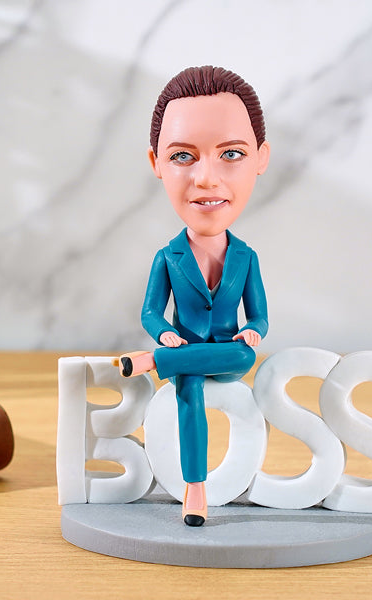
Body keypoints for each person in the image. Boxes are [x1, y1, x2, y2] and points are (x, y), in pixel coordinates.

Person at [117, 66, 270, 526]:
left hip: (229, 354)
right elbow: (151, 311)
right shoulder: (168, 256)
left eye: (232, 154)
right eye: (182, 156)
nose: (206, 178)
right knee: (190, 400)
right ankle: (196, 489)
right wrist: (164, 333)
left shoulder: (246, 257)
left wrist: (251, 331)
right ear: (156, 163)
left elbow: (259, 316)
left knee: (241, 358)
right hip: (184, 351)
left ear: (261, 158)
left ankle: (152, 363)